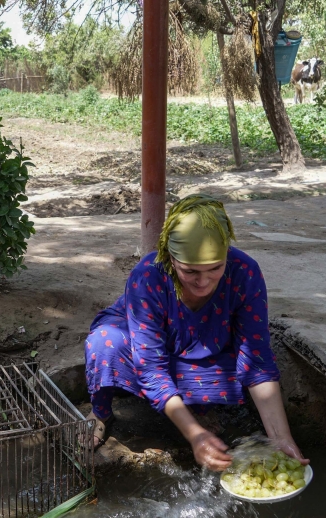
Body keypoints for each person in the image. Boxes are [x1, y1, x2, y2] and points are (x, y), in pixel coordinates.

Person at [84, 194, 308, 471]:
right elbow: (151, 368)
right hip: (143, 343)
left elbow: (257, 361)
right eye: (190, 271)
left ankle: (196, 408)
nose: (203, 282)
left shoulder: (245, 272)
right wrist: (195, 435)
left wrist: (281, 439)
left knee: (227, 370)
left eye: (215, 269)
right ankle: (101, 412)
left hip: (204, 343)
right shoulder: (148, 276)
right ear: (170, 257)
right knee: (105, 343)